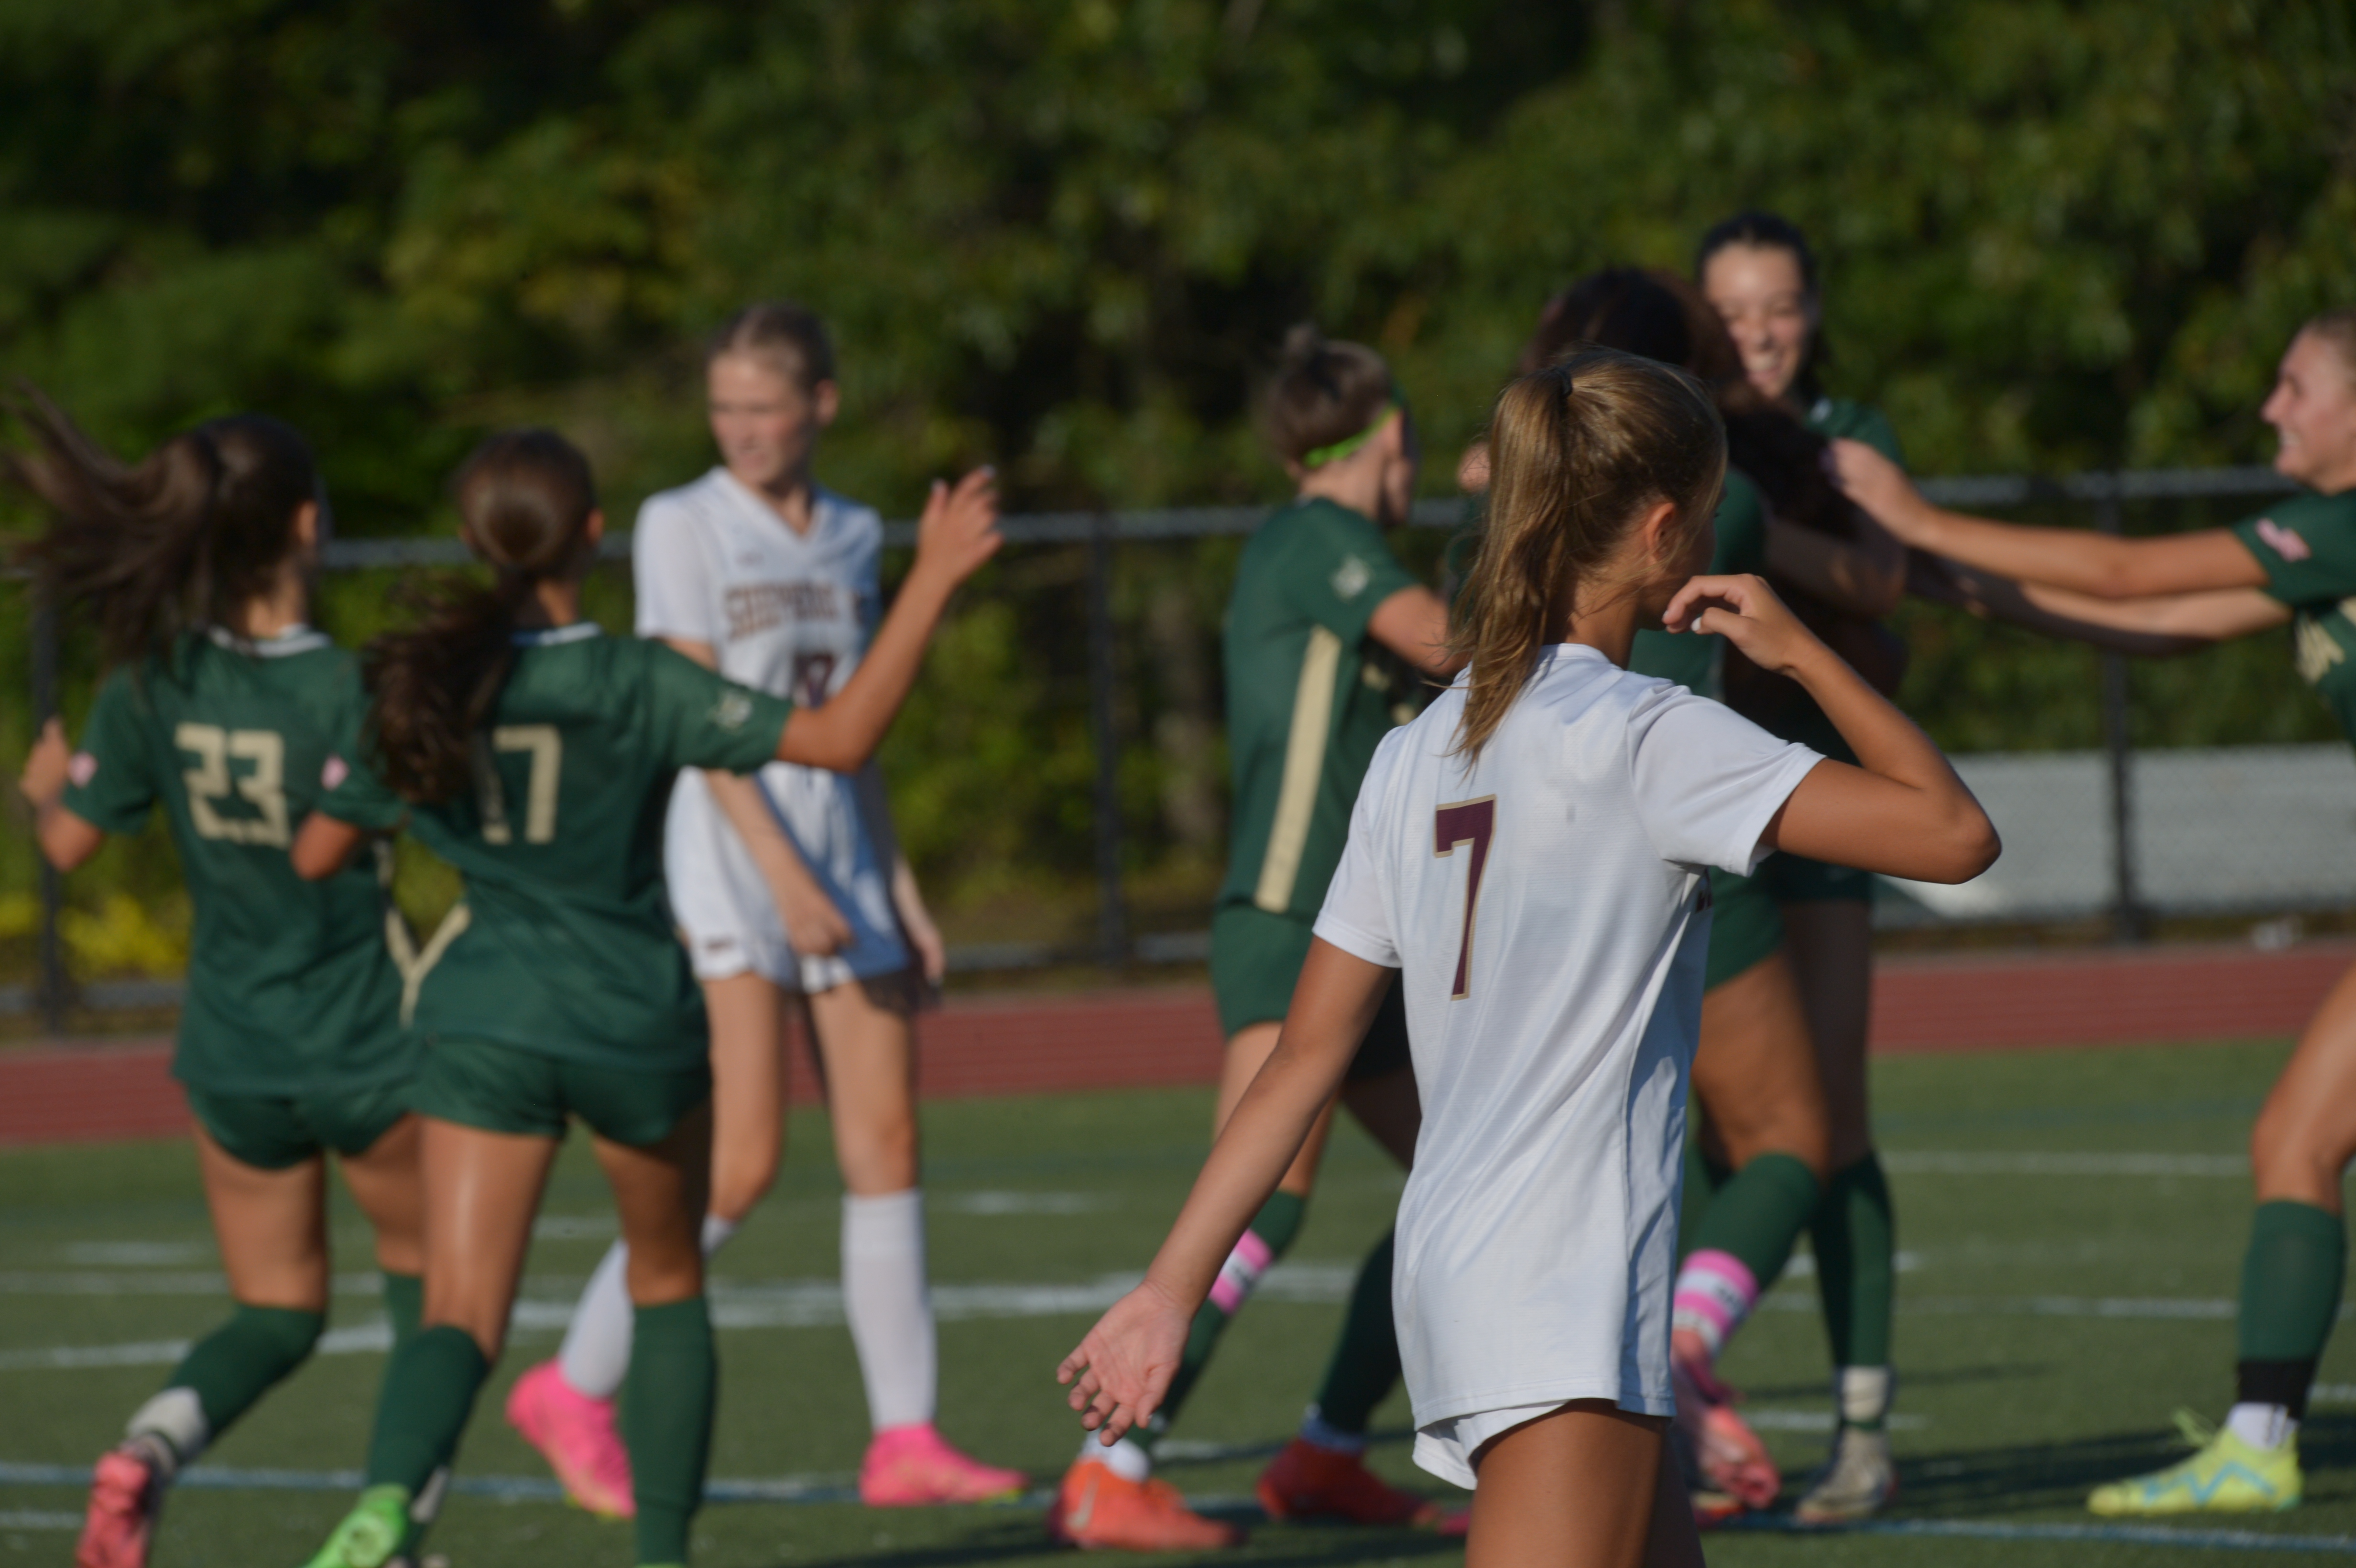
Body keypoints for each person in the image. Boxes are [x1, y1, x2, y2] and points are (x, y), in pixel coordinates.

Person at [1059, 347, 1998, 1568]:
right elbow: (1953, 833)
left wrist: (1168, 1288)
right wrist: (1804, 652)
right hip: (1563, 1279)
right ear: (1663, 531)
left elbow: (1299, 1059)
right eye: (1711, 513)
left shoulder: (1417, 752)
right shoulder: (1652, 736)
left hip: (1464, 1267)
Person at [289, 429, 999, 1568]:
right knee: (667, 1286)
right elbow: (842, 737)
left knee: (458, 1312)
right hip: (630, 1017)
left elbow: (321, 852)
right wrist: (932, 579)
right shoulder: (640, 678)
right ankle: (662, 1555)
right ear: (593, 533)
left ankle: (385, 1502)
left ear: (472, 541)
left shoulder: (425, 683)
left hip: (485, 1016)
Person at [1831, 310, 2356, 1517]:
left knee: (2296, 1140)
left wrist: (1915, 518)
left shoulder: (2340, 524)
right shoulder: (2322, 549)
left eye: (2295, 385)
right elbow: (2158, 624)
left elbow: (2128, 572)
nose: (2270, 407)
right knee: (2295, 1140)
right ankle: (2258, 1441)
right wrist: (1956, 586)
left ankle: (2259, 1441)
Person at [505, 303, 1020, 1515]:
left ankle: (905, 1438)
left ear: (820, 405)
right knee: (739, 1160)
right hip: (729, 860)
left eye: (764, 407)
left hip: (842, 860)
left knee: (886, 1144)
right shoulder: (681, 522)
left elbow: (858, 724)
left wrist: (894, 883)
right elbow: (693, 718)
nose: (740, 428)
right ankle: (571, 1386)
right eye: (723, 406)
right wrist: (784, 876)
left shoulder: (851, 530)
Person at [1477, 267, 1906, 1522]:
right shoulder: (1732, 517)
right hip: (1692, 836)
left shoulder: (1441, 701)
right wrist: (1826, 616)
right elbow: (1953, 826)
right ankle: (1685, 1340)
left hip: (1522, 889)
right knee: (1794, 1138)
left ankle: (1337, 1430)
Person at [1047, 327, 1464, 1550]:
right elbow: (1452, 645)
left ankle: (1325, 1450)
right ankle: (1108, 1466)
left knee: (1462, 1183)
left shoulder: (1342, 548)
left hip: (1362, 936)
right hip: (1292, 922)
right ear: (1389, 435)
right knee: (1266, 1198)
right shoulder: (1313, 536)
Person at [6, 392, 422, 1568]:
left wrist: (41, 785)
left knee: (278, 1308)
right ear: (305, 524)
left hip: (233, 1046)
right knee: (440, 1297)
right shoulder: (350, 683)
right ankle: (393, 1529)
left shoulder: (155, 675)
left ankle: (149, 1446)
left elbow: (69, 843)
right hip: (363, 1035)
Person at [1692, 211, 1914, 1517]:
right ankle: (1675, 1401)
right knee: (1697, 1121)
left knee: (1831, 1119)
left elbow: (1878, 579)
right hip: (1689, 808)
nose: (1758, 334)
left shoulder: (1847, 437)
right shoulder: (1679, 427)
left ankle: (1862, 1425)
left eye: (1778, 306)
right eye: (1732, 312)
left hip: (1815, 801)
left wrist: (1744, 528)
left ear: (1813, 311)